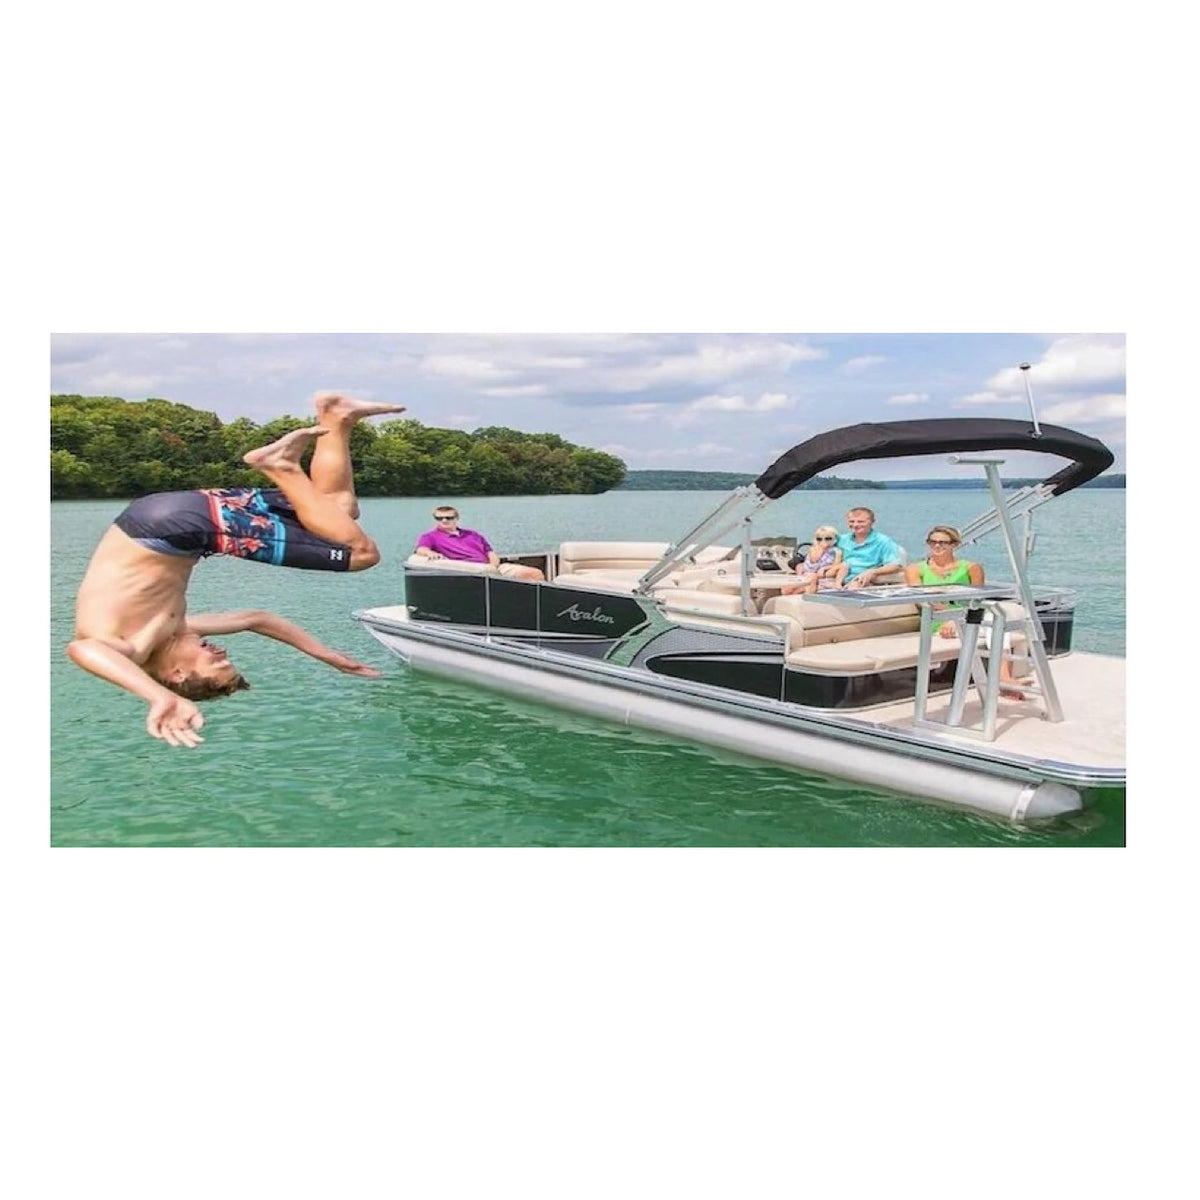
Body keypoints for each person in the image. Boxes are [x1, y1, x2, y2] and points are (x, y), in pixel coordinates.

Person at [68, 392, 406, 748]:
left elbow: (82, 649)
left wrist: (158, 697)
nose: (221, 654)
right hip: (169, 513)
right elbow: (256, 619)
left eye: (216, 664)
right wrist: (325, 654)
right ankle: (336, 417)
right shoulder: (174, 630)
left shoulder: (133, 646)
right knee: (337, 510)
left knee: (360, 554)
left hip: (177, 530)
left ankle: (280, 465)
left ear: (178, 674)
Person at [904, 524, 1025, 697]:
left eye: (943, 543)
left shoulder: (972, 568)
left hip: (969, 617)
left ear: (955, 545)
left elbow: (977, 599)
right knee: (994, 626)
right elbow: (922, 600)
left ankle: (1003, 677)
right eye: (933, 542)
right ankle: (1004, 678)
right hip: (937, 620)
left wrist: (959, 618)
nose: (937, 546)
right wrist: (951, 618)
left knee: (996, 622)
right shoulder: (915, 569)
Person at [413, 506, 545, 580]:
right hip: (471, 572)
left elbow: (491, 553)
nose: (444, 521)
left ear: (456, 519)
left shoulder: (473, 534)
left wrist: (493, 567)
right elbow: (421, 549)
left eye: (449, 518)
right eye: (439, 518)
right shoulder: (430, 536)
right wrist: (430, 553)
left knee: (535, 573)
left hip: (491, 568)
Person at [838, 506, 905, 589]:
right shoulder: (842, 539)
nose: (855, 525)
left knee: (854, 588)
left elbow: (895, 565)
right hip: (839, 577)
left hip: (865, 580)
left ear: (872, 522)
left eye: (860, 522)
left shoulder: (882, 541)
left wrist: (872, 572)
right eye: (851, 521)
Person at [780, 525, 847, 595]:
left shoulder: (837, 551)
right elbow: (814, 560)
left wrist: (825, 568)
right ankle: (798, 590)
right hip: (812, 569)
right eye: (819, 539)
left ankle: (837, 584)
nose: (823, 541)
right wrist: (822, 550)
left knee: (844, 566)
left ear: (834, 539)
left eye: (827, 538)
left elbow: (836, 564)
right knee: (800, 568)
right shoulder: (814, 549)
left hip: (826, 571)